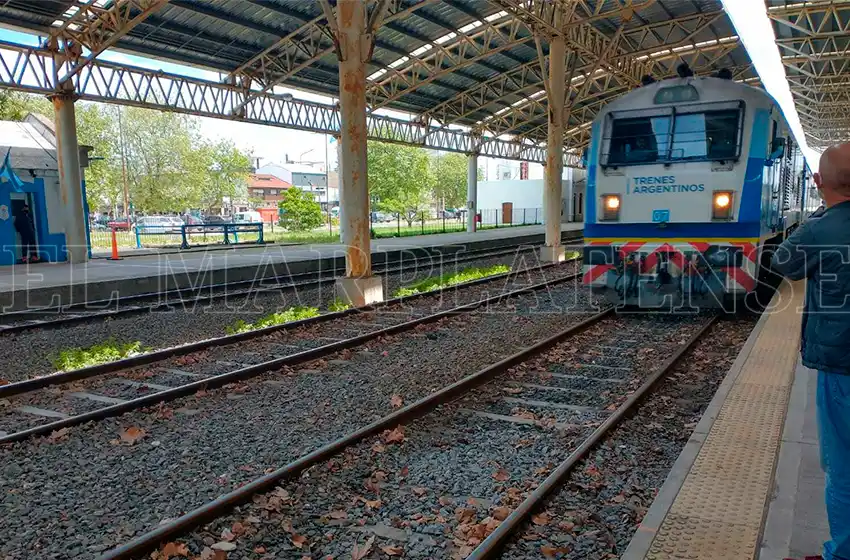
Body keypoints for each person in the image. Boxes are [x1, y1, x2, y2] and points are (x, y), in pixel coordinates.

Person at [772, 143, 850, 560]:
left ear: (819, 184)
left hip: (842, 362)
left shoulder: (825, 226)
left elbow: (785, 261)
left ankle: (840, 553)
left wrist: (822, 211)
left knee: (843, 467)